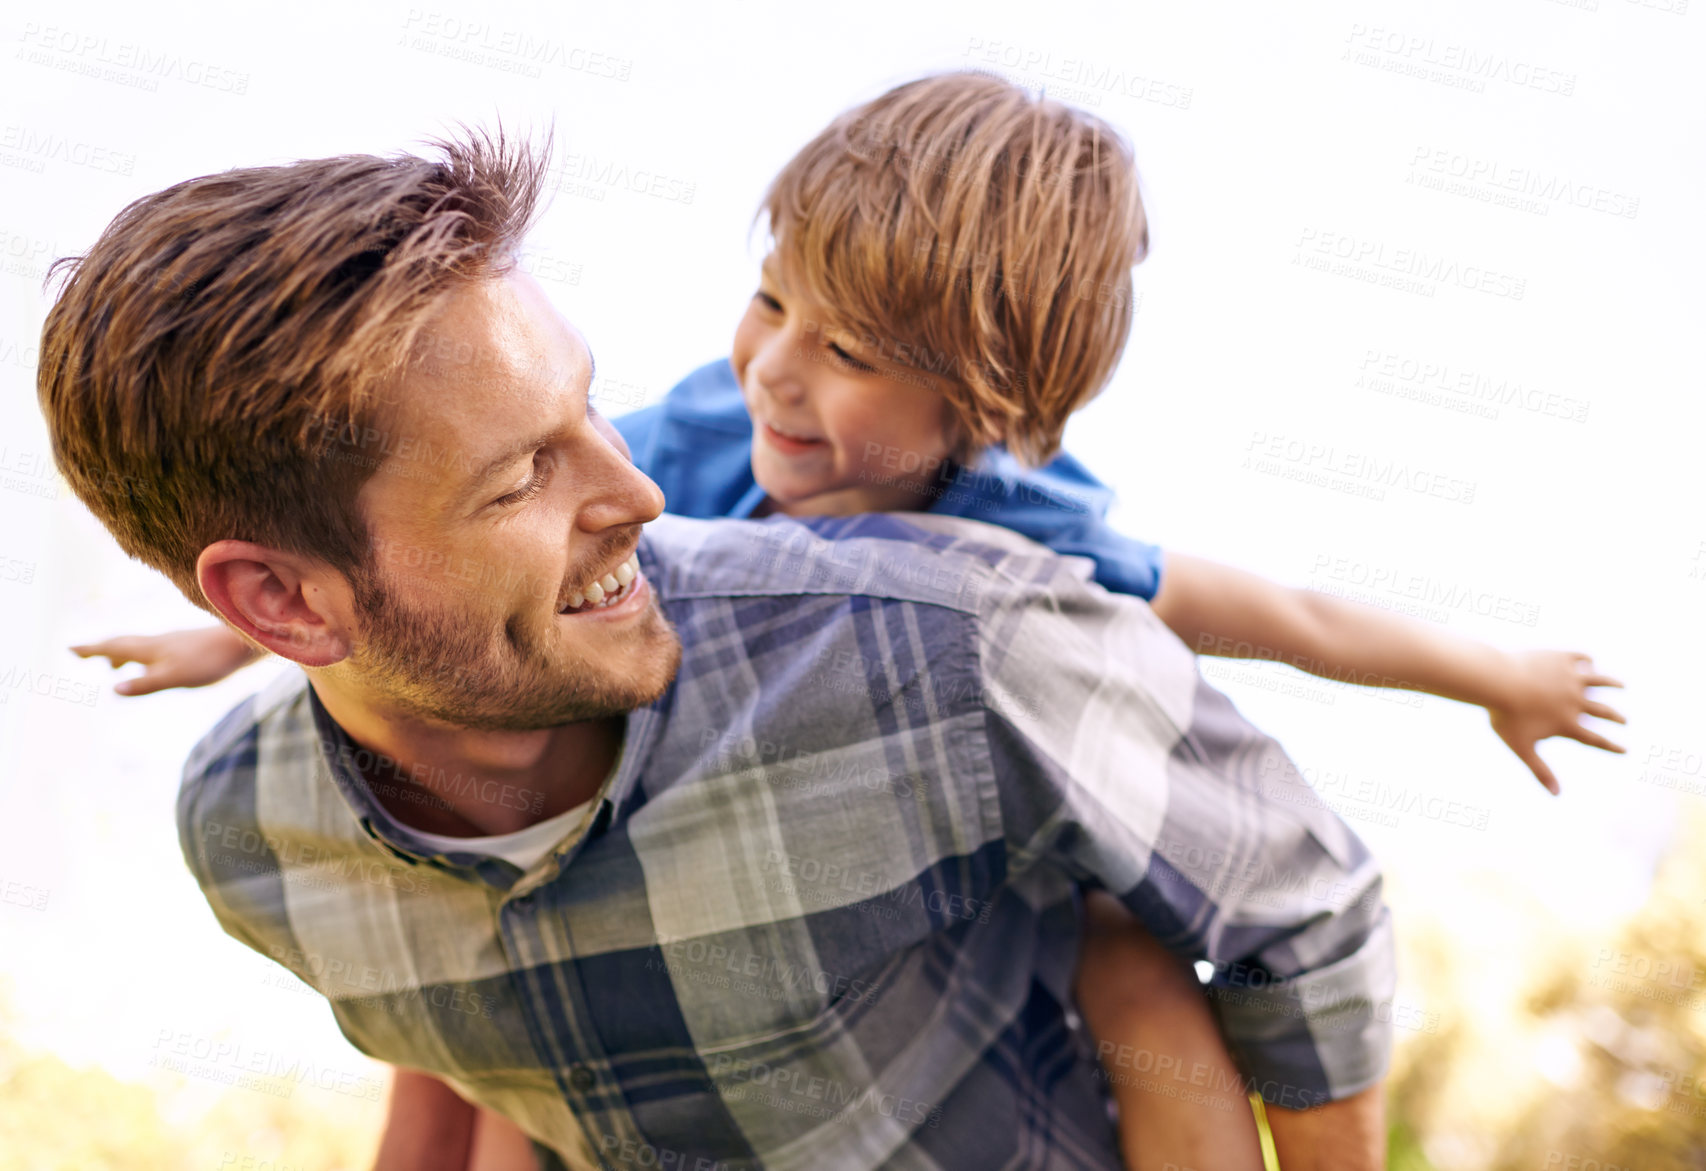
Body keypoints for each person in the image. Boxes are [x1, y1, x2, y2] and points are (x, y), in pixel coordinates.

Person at [68, 74, 1625, 1168]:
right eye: (770, 303)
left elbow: (1278, 628)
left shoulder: (1000, 585)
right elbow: (348, 591)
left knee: (1139, 972)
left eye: (858, 348)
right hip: (586, 999)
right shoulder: (690, 438)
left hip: (984, 977)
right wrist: (234, 642)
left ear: (986, 408)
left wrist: (1496, 672)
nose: (770, 378)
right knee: (470, 1059)